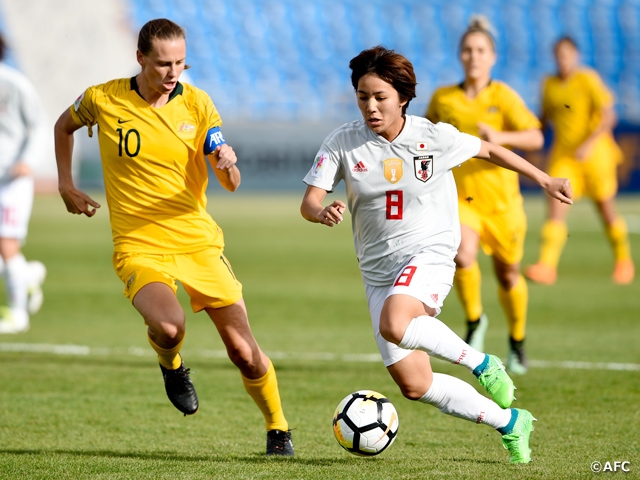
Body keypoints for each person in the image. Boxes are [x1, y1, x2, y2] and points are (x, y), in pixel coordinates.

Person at [301, 46, 572, 464]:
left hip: (429, 254)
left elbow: (490, 150)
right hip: (377, 274)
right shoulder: (343, 142)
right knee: (415, 384)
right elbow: (310, 201)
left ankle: (482, 362)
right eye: (362, 97)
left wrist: (544, 178)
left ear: (403, 97)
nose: (370, 107)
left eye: (380, 97)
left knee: (396, 322)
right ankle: (510, 422)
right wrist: (322, 212)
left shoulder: (432, 136)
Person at [53, 18, 293, 456]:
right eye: (163, 63)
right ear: (140, 57)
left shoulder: (199, 104)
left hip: (198, 243)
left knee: (243, 351)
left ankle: (278, 427)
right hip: (139, 243)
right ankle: (172, 364)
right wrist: (66, 183)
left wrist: (227, 164)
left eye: (180, 62)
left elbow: (233, 182)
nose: (172, 72)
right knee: (167, 325)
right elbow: (62, 127)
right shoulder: (102, 99)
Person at [425, 16, 544, 374]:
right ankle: (475, 321)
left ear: (492, 56)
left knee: (509, 275)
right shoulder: (443, 98)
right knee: (463, 256)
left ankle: (517, 341)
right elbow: (426, 136)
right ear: (460, 55)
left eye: (480, 50)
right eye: (467, 50)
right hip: (462, 200)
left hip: (503, 204)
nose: (473, 56)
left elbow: (536, 137)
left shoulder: (503, 96)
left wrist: (501, 137)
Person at [525, 36, 634, 285]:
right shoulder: (549, 85)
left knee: (606, 210)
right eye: (558, 55)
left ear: (575, 56)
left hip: (595, 156)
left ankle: (623, 261)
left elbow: (609, 117)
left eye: (566, 54)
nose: (562, 60)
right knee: (555, 209)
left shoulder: (587, 79)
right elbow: (543, 120)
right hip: (565, 157)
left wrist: (589, 143)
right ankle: (547, 266)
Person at [0, 33, 47, 334]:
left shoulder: (14, 83)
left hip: (12, 179)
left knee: (6, 244)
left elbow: (39, 124)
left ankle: (18, 314)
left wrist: (28, 160)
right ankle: (27, 277)